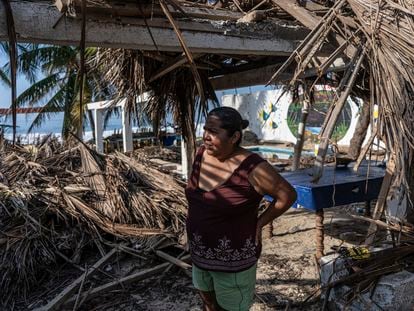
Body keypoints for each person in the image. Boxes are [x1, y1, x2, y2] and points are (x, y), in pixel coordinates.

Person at [185, 107, 297, 311]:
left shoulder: (253, 168)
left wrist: (260, 223)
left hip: (234, 261)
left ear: (235, 136)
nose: (206, 137)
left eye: (214, 132)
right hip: (199, 253)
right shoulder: (202, 154)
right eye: (205, 130)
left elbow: (287, 195)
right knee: (209, 304)